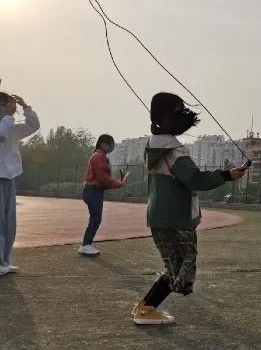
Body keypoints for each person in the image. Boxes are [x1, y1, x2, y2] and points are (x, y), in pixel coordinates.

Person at [131, 92, 248, 325]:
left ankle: (145, 306)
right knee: (181, 265)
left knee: (175, 265)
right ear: (166, 117)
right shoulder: (173, 149)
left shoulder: (153, 145)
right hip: (175, 217)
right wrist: (227, 175)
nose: (184, 116)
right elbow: (195, 179)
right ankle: (145, 310)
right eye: (178, 111)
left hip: (160, 215)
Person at [0, 93, 40, 276]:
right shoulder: (6, 124)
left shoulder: (12, 127)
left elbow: (33, 125)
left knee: (9, 222)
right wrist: (7, 114)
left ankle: (5, 260)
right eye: (10, 102)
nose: (14, 105)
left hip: (10, 177)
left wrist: (26, 107)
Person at [78, 134, 128, 256]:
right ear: (102, 144)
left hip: (93, 190)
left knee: (95, 218)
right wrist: (119, 184)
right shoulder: (99, 157)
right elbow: (103, 179)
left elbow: (104, 180)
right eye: (110, 144)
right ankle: (86, 245)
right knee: (95, 218)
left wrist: (118, 183)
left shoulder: (99, 156)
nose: (112, 146)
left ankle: (87, 244)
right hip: (93, 190)